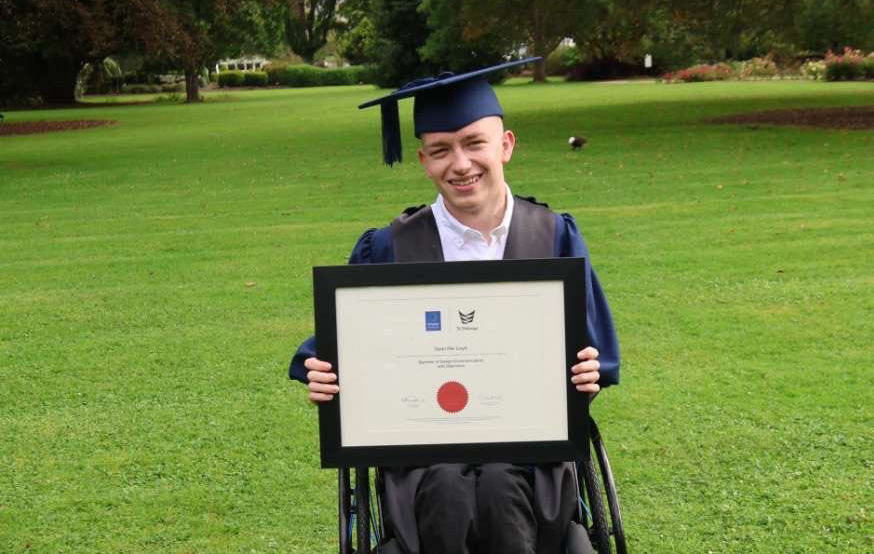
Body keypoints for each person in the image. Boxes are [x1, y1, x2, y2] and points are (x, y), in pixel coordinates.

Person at [289, 58, 620, 554]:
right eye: (441, 150)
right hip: (425, 459)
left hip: (531, 454)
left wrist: (589, 369)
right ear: (423, 160)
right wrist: (317, 369)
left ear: (505, 145)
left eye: (474, 143)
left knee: (501, 487)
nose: (460, 164)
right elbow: (336, 345)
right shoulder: (390, 248)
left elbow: (597, 352)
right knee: (447, 487)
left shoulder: (553, 236)